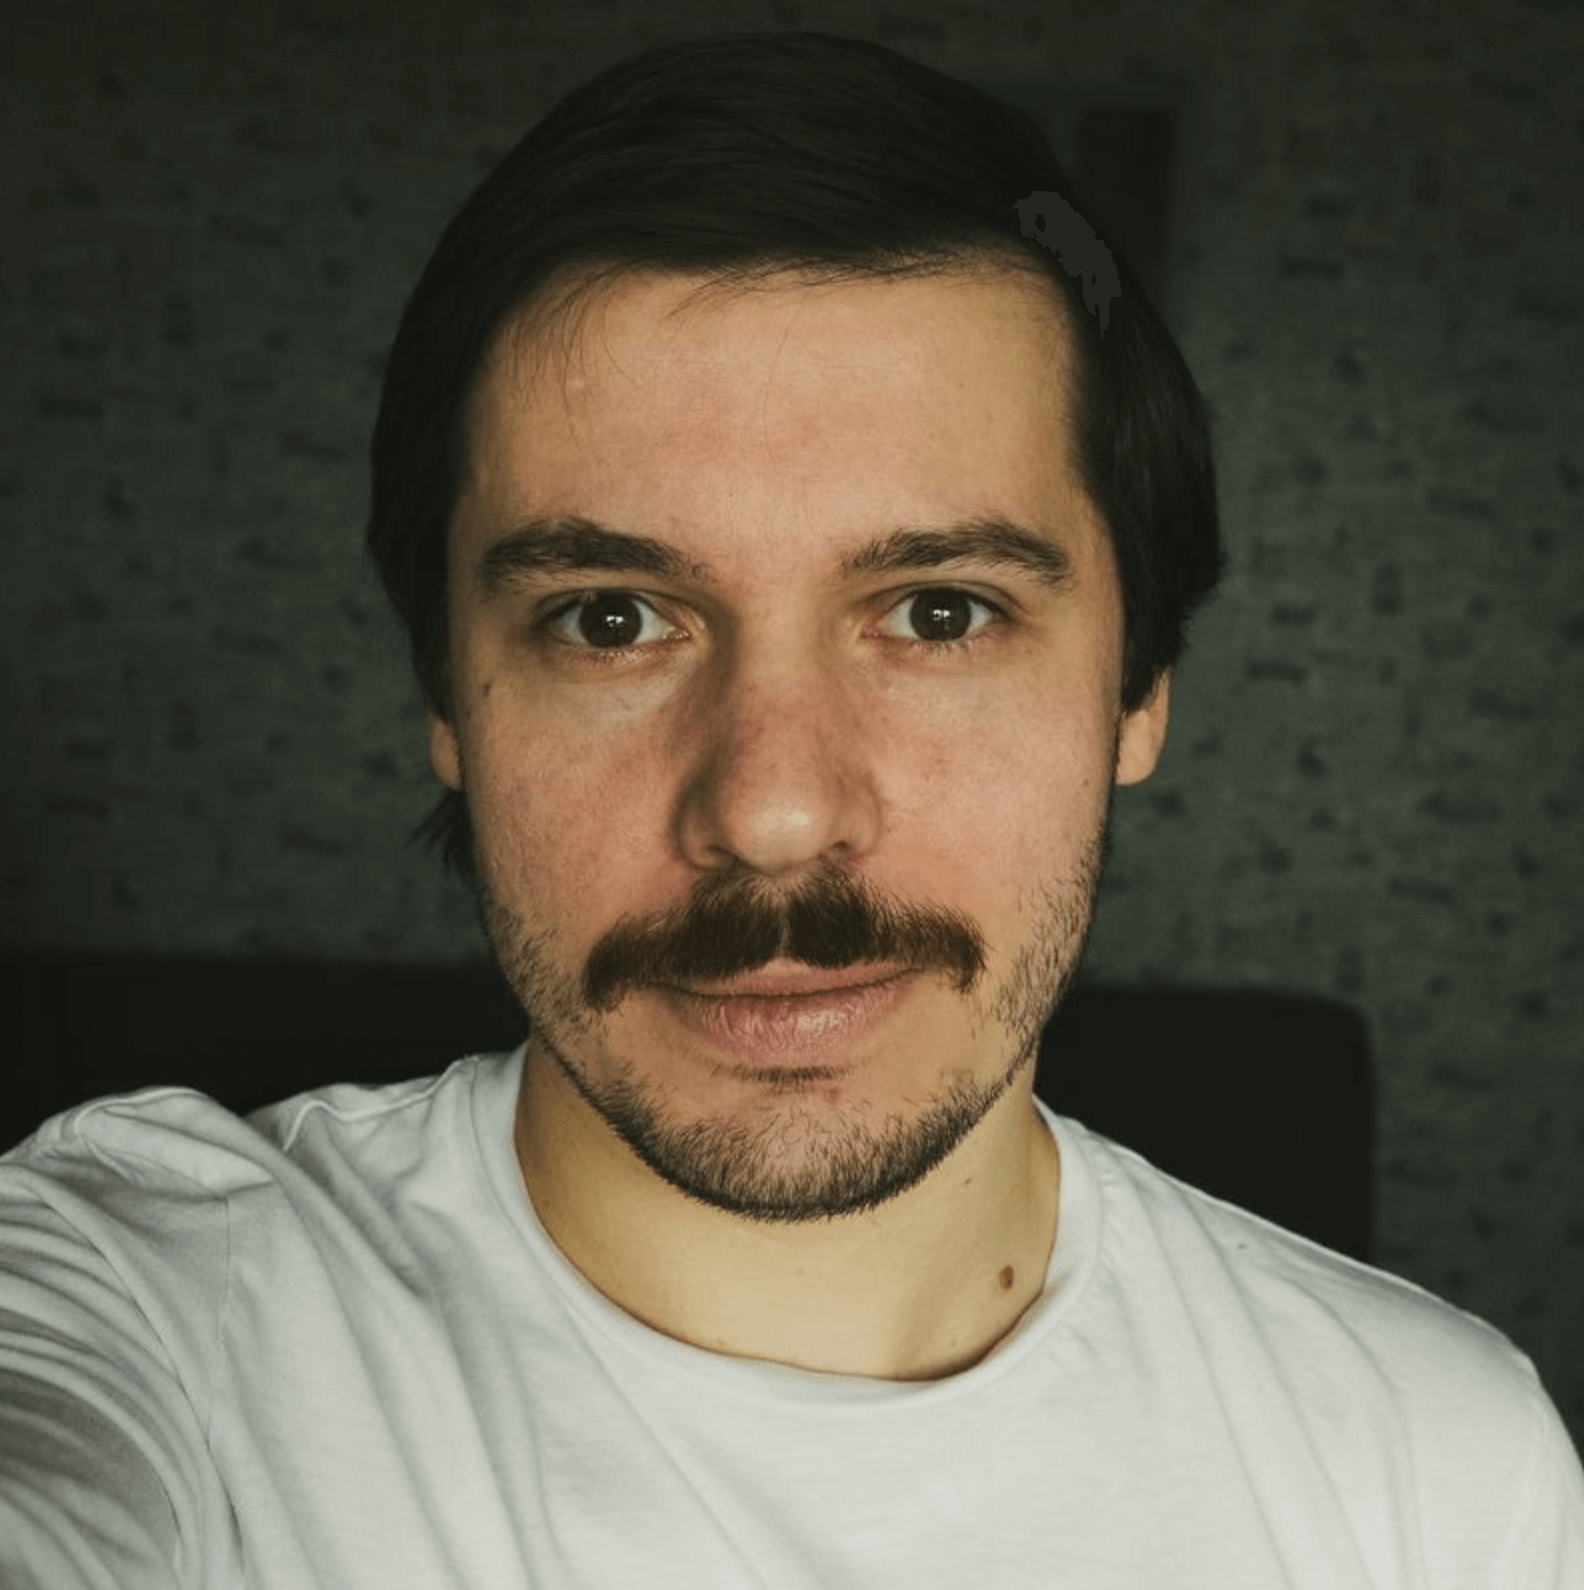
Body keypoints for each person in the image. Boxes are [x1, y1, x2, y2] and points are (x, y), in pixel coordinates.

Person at [2, 29, 1580, 1588]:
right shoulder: (146, 1304)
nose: (770, 810)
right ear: (446, 698)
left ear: (1138, 686)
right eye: (612, 619)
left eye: (940, 612)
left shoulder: (1440, 1471)